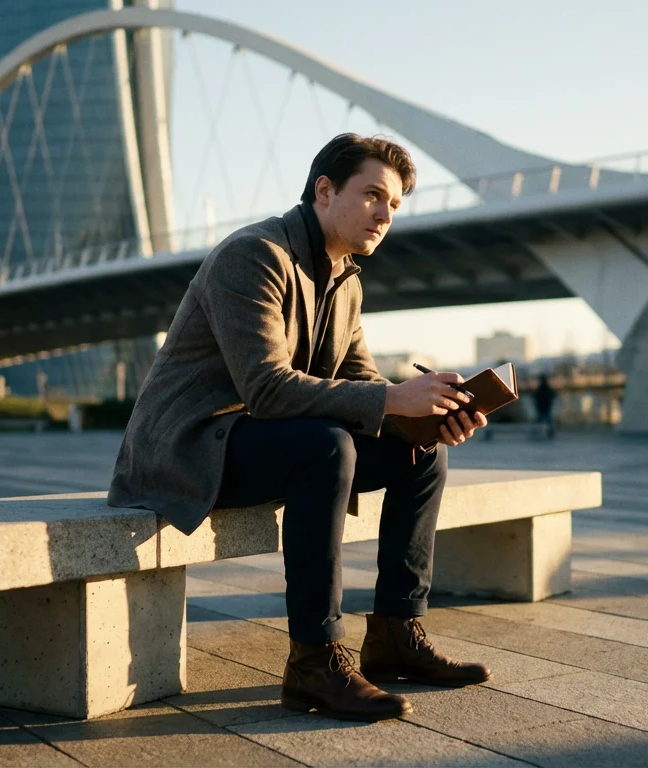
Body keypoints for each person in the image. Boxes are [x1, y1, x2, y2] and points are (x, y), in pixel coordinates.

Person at [107, 134, 491, 722]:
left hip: (260, 440)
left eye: (394, 204)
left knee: (421, 455)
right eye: (372, 195)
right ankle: (315, 662)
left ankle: (395, 634)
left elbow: (363, 388)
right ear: (324, 190)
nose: (385, 214)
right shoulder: (255, 254)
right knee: (325, 446)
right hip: (187, 448)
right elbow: (266, 388)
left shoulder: (347, 280)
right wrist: (393, 397)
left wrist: (429, 415)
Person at [534, 373, 556, 440]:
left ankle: (537, 433)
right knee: (547, 420)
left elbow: (536, 396)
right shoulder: (546, 388)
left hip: (542, 406)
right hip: (546, 406)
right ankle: (549, 432)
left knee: (541, 419)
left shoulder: (541, 388)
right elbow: (553, 395)